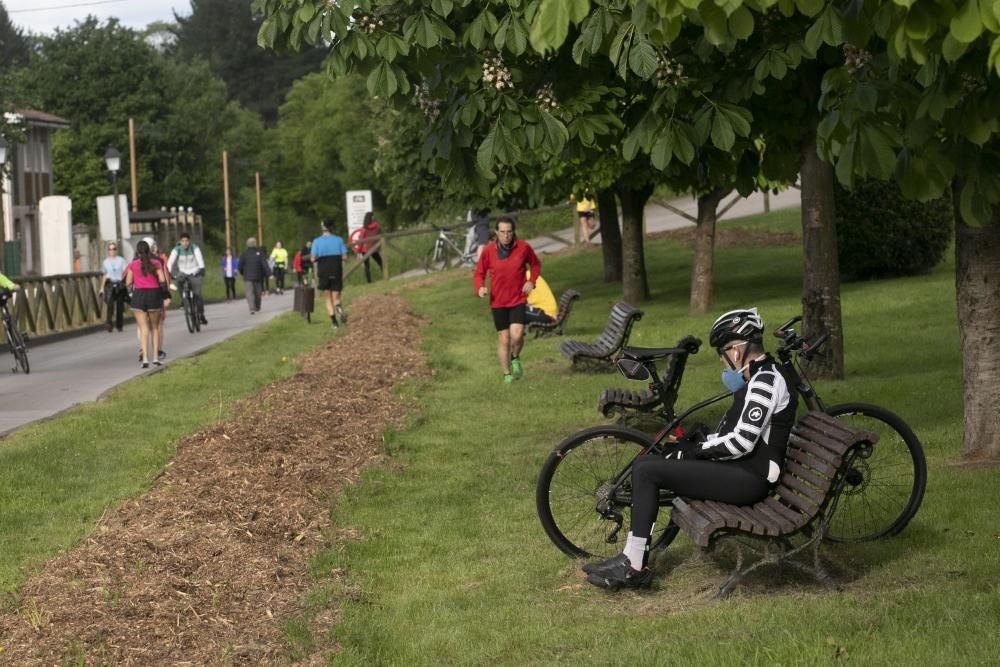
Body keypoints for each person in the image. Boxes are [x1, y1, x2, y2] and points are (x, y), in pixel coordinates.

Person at [583, 308, 799, 591]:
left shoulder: (766, 381)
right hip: (740, 471)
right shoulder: (758, 379)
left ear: (735, 352)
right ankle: (630, 558)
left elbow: (741, 442)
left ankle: (634, 566)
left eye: (722, 355)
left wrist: (696, 451)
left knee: (647, 469)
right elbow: (733, 433)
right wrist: (696, 445)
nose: (723, 363)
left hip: (750, 479)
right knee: (653, 465)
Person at [472, 216, 540, 384]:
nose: (506, 236)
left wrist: (531, 281)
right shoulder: (488, 251)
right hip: (498, 302)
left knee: (516, 336)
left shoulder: (523, 247)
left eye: (509, 232)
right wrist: (479, 287)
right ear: (496, 232)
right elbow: (479, 273)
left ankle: (515, 357)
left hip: (517, 299)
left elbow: (536, 265)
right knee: (504, 338)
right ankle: (507, 374)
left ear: (513, 232)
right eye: (502, 232)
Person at [124, 240, 170, 368]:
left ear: (137, 252)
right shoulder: (156, 263)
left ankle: (145, 359)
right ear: (149, 250)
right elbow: (162, 280)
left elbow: (128, 282)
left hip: (138, 296)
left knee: (143, 328)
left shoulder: (133, 264)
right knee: (155, 328)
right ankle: (155, 357)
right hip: (153, 295)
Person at [311, 219, 349, 329]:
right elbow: (345, 257)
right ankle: (339, 308)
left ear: (322, 228)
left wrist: (319, 257)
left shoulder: (317, 241)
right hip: (336, 269)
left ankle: (334, 323)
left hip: (323, 270)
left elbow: (313, 259)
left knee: (327, 297)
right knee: (336, 296)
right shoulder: (339, 240)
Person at [167, 232, 207, 326]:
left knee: (198, 295)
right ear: (180, 242)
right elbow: (170, 262)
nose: (184, 243)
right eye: (183, 241)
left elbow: (200, 259)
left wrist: (201, 269)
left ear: (189, 241)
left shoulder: (194, 248)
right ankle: (183, 299)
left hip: (194, 272)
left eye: (186, 241)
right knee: (179, 280)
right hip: (183, 272)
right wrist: (168, 272)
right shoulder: (177, 249)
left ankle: (201, 314)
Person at [100, 241, 128, 332]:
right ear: (108, 251)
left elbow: (125, 272)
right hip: (110, 284)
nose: (112, 251)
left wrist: (125, 283)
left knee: (119, 306)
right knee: (110, 304)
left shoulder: (121, 260)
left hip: (119, 284)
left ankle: (119, 325)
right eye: (110, 249)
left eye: (114, 249)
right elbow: (105, 275)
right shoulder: (105, 262)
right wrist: (101, 288)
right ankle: (109, 323)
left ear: (116, 250)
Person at [238, 237, 269, 314]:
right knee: (257, 293)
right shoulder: (260, 253)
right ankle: (256, 307)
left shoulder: (244, 254)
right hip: (258, 276)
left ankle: (252, 307)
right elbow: (264, 264)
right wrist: (269, 273)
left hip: (248, 276)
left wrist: (243, 273)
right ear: (255, 244)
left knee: (250, 293)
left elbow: (240, 266)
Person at [352, 212, 383, 283]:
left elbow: (361, 241)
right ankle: (385, 276)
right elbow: (381, 236)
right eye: (373, 216)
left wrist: (358, 252)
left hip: (365, 249)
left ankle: (369, 282)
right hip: (374, 248)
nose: (374, 217)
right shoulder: (377, 226)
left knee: (367, 266)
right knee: (380, 262)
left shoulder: (364, 229)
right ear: (371, 217)